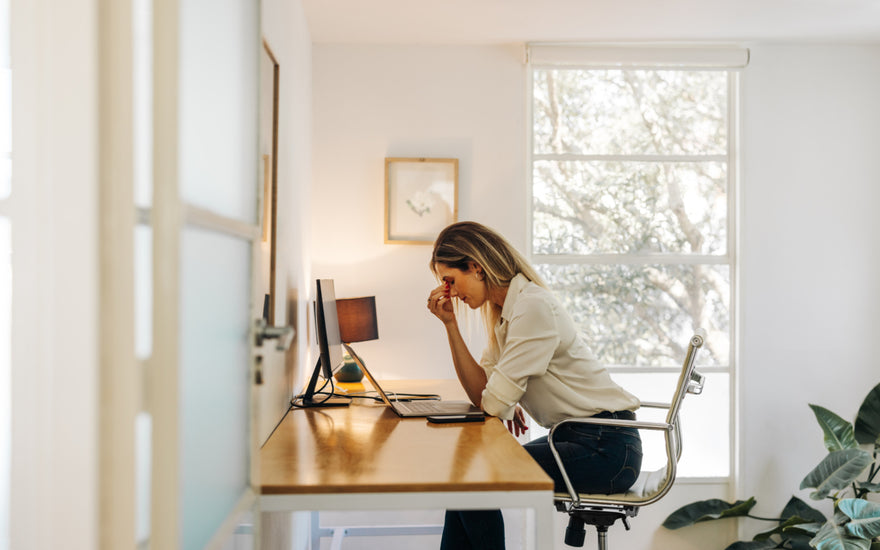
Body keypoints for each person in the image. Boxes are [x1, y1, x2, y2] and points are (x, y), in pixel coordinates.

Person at [426, 221, 643, 550]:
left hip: (606, 448)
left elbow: (493, 405)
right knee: (466, 479)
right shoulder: (506, 314)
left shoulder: (532, 307)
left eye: (451, 281)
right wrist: (450, 325)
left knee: (472, 478)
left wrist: (503, 398)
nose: (451, 293)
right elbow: (484, 392)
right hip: (577, 438)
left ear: (476, 267)